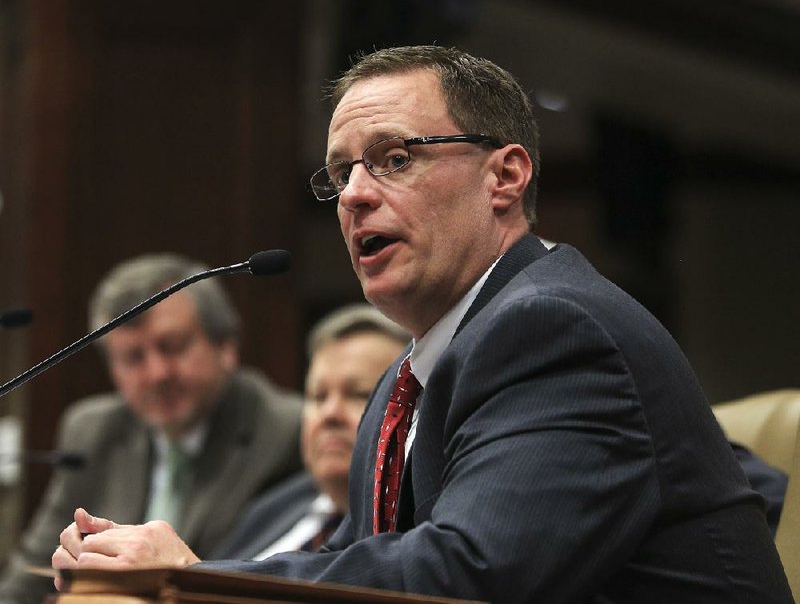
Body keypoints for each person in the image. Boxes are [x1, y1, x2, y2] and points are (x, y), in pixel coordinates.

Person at [53, 46, 792, 603]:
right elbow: (351, 560)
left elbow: (469, 573)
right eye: (340, 174)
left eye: (394, 158)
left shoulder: (556, 329)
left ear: (505, 176)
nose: (353, 196)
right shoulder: (407, 377)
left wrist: (194, 577)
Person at [0, 253, 304, 604]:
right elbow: (32, 570)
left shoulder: (284, 432)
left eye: (172, 347)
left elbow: (264, 578)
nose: (156, 374)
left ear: (226, 346)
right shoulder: (91, 430)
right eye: (133, 358)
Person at [210, 304, 410, 559]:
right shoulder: (273, 506)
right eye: (318, 396)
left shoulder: (414, 533)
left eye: (359, 394)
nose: (330, 413)